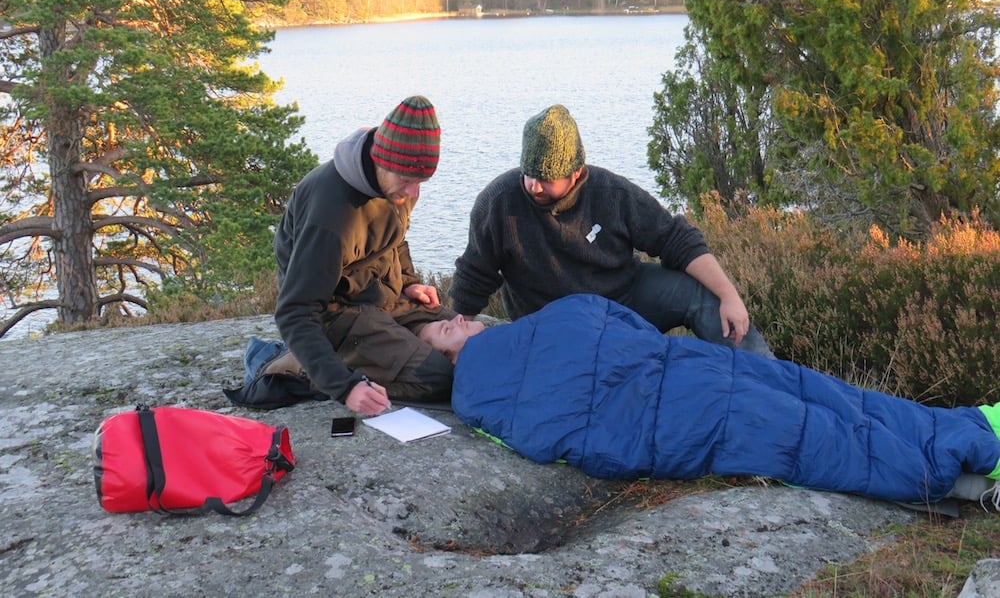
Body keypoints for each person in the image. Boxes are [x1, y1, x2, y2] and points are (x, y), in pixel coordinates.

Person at [421, 295, 1000, 509]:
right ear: (442, 361)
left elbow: (611, 319)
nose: (457, 321)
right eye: (443, 333)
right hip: (672, 411)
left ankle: (968, 432)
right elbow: (542, 434)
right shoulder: (476, 392)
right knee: (797, 428)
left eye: (450, 318)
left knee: (810, 389)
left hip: (682, 369)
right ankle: (958, 476)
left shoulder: (533, 326)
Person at [448, 104, 775, 359]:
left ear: (576, 173)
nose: (534, 185)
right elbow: (474, 276)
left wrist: (730, 296)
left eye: (546, 177)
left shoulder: (611, 193)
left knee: (699, 294)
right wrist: (452, 331)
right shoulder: (498, 203)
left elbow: (678, 239)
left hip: (622, 300)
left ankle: (764, 375)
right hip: (550, 322)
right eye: (529, 173)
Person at [269, 95, 458, 416]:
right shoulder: (330, 218)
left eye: (421, 182)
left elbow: (395, 237)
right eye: (408, 181)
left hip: (383, 299)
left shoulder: (396, 184)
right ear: (379, 160)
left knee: (471, 343)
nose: (413, 193)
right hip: (336, 312)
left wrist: (409, 283)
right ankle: (308, 370)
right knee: (440, 378)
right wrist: (344, 386)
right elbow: (295, 311)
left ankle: (371, 354)